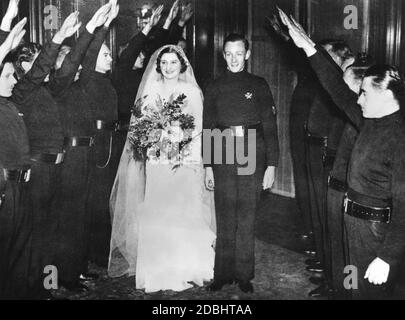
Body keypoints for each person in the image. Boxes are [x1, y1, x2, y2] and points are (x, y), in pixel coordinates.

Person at [279, 8, 405, 299]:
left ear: (387, 96)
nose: (357, 100)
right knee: (354, 291)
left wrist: (387, 257)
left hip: (375, 230)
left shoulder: (399, 137)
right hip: (354, 222)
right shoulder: (368, 119)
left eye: (364, 94)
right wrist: (308, 47)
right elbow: (337, 88)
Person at [109, 44, 216, 293]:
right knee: (159, 212)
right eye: (164, 63)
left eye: (173, 63)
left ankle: (185, 266)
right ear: (158, 66)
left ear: (182, 66)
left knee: (182, 212)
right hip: (157, 159)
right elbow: (140, 126)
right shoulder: (151, 88)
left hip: (184, 160)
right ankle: (159, 268)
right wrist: (155, 137)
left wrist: (182, 141)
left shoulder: (190, 91)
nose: (168, 67)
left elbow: (199, 127)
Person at [11, 10, 81, 299]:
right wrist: (57, 38)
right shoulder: (22, 90)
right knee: (37, 234)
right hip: (37, 171)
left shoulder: (49, 90)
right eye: (35, 62)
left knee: (51, 232)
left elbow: (72, 66)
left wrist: (89, 30)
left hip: (56, 169)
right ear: (22, 66)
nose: (43, 66)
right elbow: (41, 68)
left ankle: (47, 286)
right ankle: (34, 290)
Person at [203, 33, 279, 293]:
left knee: (247, 214)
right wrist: (208, 166)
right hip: (222, 148)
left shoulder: (258, 84)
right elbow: (208, 128)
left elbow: (270, 126)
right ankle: (222, 273)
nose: (234, 58)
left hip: (251, 150)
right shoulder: (214, 86)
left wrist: (271, 165)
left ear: (247, 54)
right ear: (223, 55)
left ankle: (244, 274)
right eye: (229, 53)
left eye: (239, 53)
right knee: (225, 214)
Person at [47, 3, 113, 293]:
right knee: (70, 218)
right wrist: (89, 30)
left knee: (83, 215)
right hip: (70, 159)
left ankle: (80, 269)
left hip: (84, 157)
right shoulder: (58, 87)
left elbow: (83, 62)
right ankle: (67, 276)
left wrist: (104, 26)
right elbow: (76, 61)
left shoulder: (78, 87)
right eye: (67, 64)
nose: (74, 68)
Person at [0, 10, 30, 299]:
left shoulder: (10, 103)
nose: (14, 80)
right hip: (3, 190)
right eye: (8, 75)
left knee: (15, 253)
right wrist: (5, 25)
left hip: (19, 187)